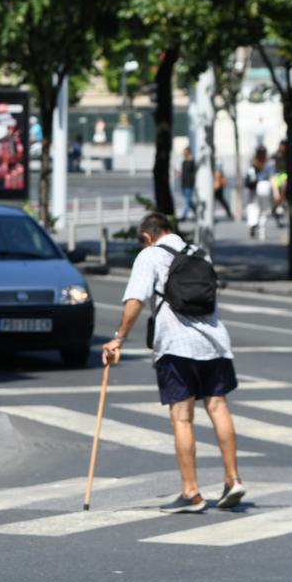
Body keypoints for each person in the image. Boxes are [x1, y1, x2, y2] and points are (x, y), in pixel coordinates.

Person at [102, 212, 246, 513]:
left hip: (176, 346)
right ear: (170, 229)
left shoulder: (149, 255)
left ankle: (191, 492)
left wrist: (119, 338)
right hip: (216, 343)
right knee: (218, 407)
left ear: (147, 236)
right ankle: (233, 479)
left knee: (182, 417)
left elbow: (135, 301)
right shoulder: (198, 252)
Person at [178, 146, 197, 221]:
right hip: (183, 183)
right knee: (189, 201)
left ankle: (183, 217)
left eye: (185, 152)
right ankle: (197, 213)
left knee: (187, 202)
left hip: (189, 183)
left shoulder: (192, 161)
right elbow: (183, 172)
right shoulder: (184, 161)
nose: (183, 153)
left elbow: (194, 172)